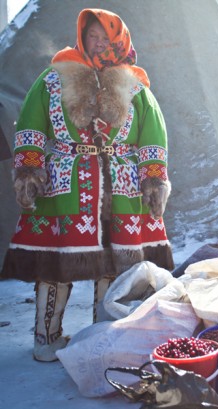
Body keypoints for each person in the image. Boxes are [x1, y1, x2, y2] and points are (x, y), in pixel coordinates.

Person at [0, 8, 174, 361]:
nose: (98, 44)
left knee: (114, 265)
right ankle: (46, 339)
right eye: (92, 37)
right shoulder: (54, 78)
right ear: (82, 37)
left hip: (121, 187)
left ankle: (102, 337)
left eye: (105, 39)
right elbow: (31, 125)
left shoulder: (135, 85)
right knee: (55, 264)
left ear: (120, 42)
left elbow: (153, 135)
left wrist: (153, 178)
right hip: (67, 186)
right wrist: (29, 171)